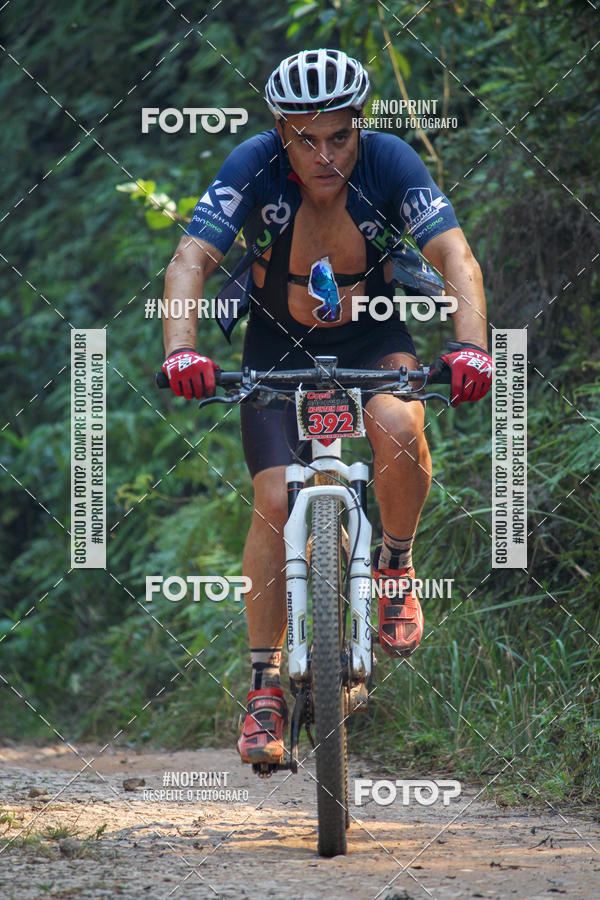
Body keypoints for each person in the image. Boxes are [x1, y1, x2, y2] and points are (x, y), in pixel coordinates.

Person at [160, 49, 492, 767]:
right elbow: (191, 259)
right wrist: (181, 351)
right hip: (275, 347)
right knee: (275, 499)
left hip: (374, 337)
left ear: (359, 128)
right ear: (281, 133)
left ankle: (396, 569)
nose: (324, 154)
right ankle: (265, 688)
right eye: (305, 138)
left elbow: (455, 255)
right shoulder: (252, 164)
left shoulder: (390, 162)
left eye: (338, 136)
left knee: (401, 426)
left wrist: (470, 347)